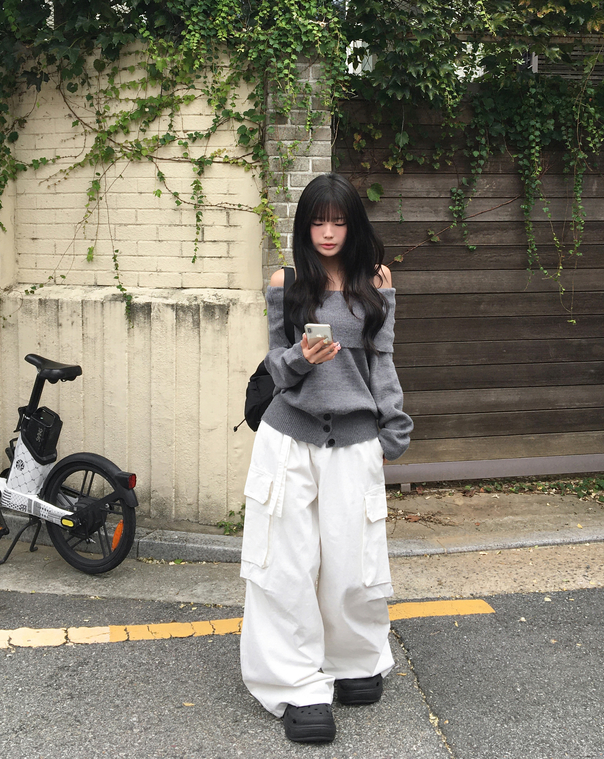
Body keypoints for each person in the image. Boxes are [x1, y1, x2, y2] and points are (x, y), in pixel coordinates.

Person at [239, 173, 413, 744]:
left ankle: (353, 659)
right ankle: (295, 685)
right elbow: (275, 366)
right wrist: (303, 357)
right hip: (289, 438)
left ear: (353, 225)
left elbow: (382, 361)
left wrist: (392, 429)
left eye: (339, 221)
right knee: (285, 564)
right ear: (304, 226)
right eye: (318, 221)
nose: (329, 232)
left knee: (353, 558)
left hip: (356, 441)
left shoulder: (376, 282)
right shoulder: (286, 282)